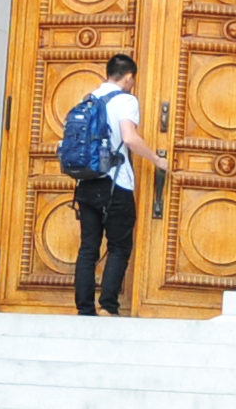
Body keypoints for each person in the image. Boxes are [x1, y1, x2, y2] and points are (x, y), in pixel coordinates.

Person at [71, 53, 166, 316]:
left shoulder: (89, 98)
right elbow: (130, 138)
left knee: (89, 247)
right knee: (119, 246)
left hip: (87, 181)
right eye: (132, 79)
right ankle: (108, 306)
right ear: (128, 77)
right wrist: (157, 160)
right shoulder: (126, 100)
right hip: (116, 184)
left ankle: (85, 309)